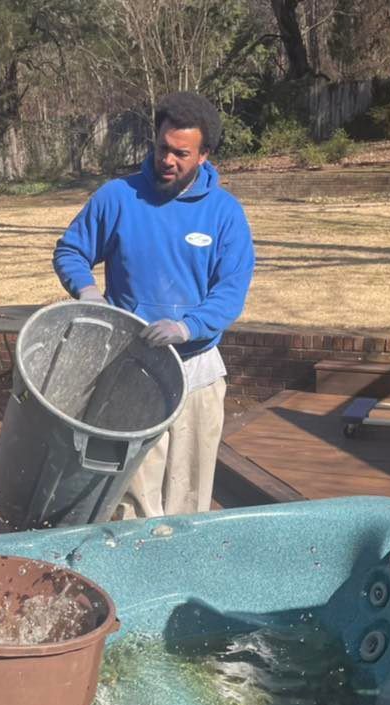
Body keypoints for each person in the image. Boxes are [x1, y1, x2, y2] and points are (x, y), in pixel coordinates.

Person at [53, 91, 255, 519]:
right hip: (132, 367)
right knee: (130, 494)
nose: (168, 160)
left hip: (196, 369)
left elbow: (231, 290)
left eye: (181, 153)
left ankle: (180, 569)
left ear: (204, 155)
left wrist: (189, 326)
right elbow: (71, 250)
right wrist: (88, 291)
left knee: (189, 495)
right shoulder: (118, 197)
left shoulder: (224, 214)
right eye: (163, 148)